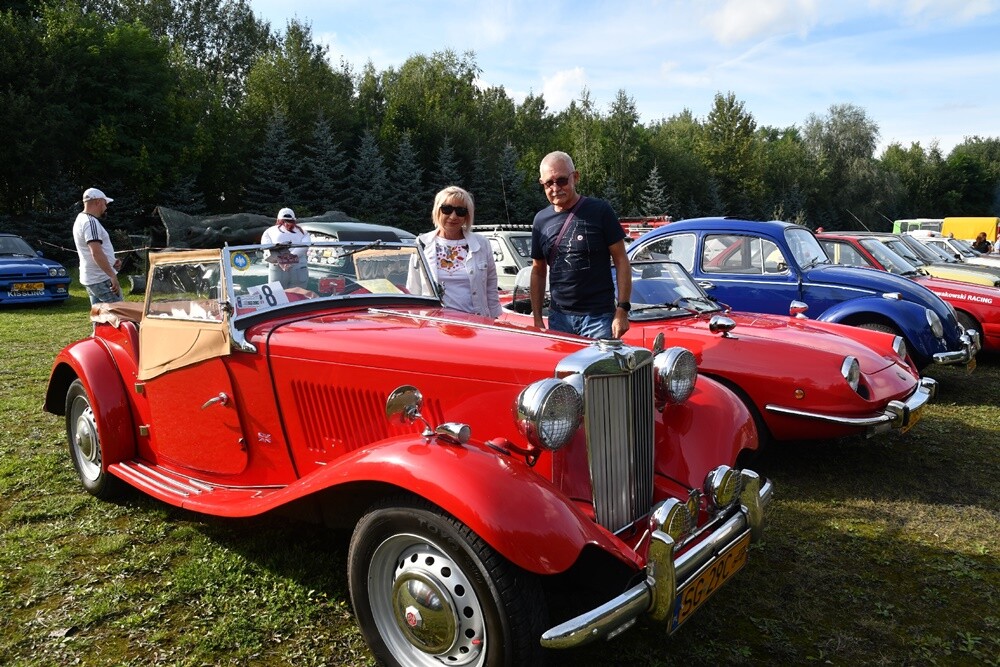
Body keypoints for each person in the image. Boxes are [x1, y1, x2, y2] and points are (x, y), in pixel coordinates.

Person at [529, 151, 631, 339]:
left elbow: (621, 260)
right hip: (558, 318)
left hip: (598, 318)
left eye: (561, 180)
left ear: (575, 177)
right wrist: (536, 318)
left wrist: (622, 310)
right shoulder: (540, 220)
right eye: (548, 183)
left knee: (597, 369)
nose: (555, 188)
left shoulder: (600, 210)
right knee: (563, 369)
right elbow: (538, 270)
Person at [409, 186, 501, 318]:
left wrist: (494, 319)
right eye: (447, 209)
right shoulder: (422, 244)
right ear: (437, 211)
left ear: (467, 215)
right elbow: (414, 289)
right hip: (434, 325)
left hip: (476, 324)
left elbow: (491, 288)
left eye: (460, 211)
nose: (453, 216)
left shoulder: (481, 244)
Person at [73, 187, 123, 305]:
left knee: (100, 317)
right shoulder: (90, 223)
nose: (106, 207)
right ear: (98, 201)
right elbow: (96, 252)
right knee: (120, 314)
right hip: (101, 279)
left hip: (93, 278)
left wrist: (112, 261)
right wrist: (112, 275)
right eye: (105, 203)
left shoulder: (81, 219)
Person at [261, 207, 311, 288]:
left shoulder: (269, 231)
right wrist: (291, 258)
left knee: (278, 296)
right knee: (298, 296)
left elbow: (266, 248)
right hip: (299, 268)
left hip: (277, 268)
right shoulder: (303, 232)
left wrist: (282, 260)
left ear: (278, 219)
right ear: (294, 219)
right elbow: (305, 246)